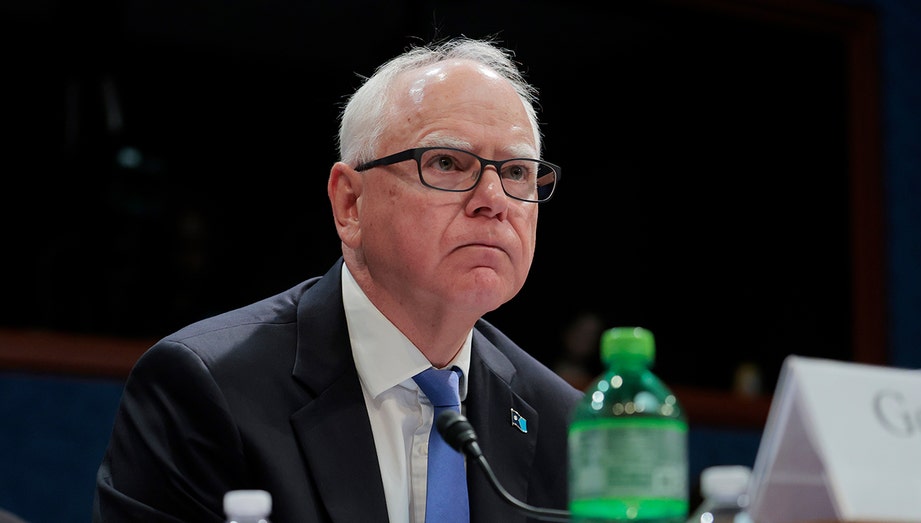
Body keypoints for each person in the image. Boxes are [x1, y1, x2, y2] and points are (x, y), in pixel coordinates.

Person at [92, 36, 583, 522]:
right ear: (350, 203)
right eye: (447, 163)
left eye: (517, 172)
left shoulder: (564, 425)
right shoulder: (208, 388)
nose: (494, 200)